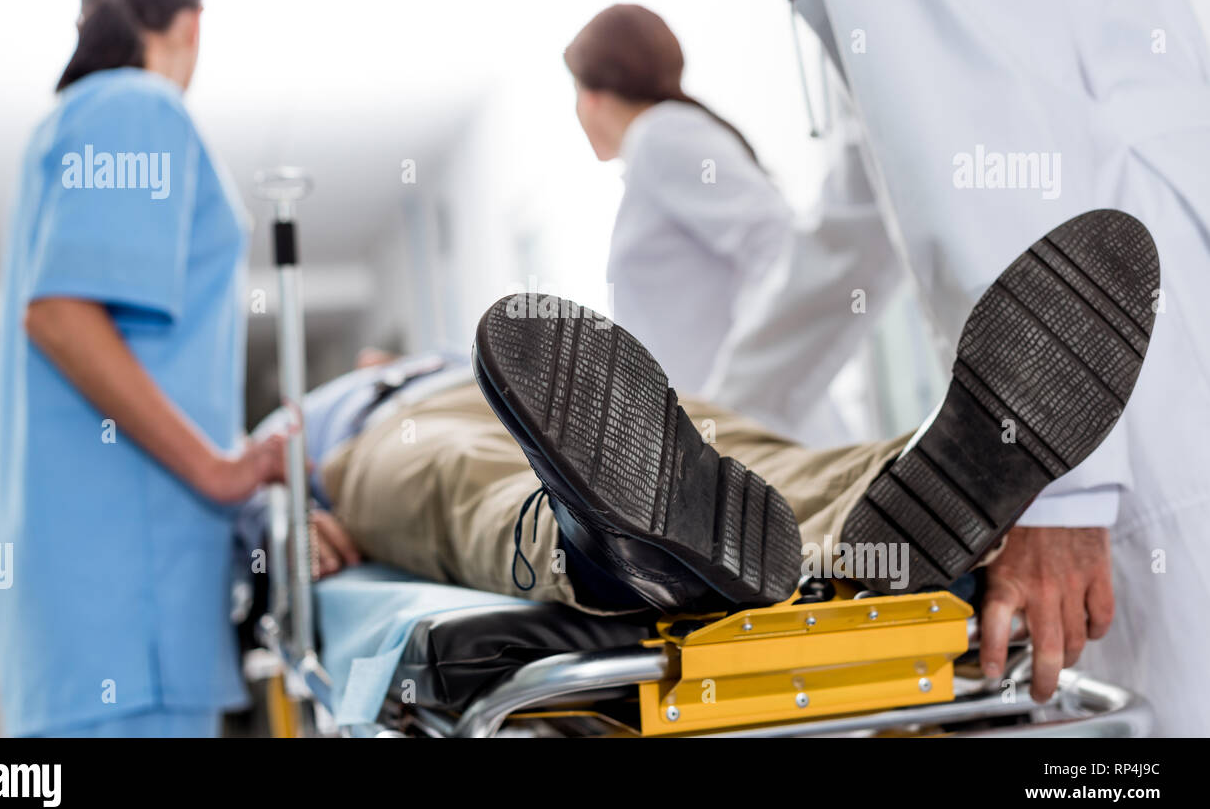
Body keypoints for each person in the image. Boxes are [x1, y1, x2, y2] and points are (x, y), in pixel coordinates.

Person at [703, 0, 1210, 735]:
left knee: (1160, 710)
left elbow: (989, 103)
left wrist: (1051, 485)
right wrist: (719, 414)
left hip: (1124, 344)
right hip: (1148, 276)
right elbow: (857, 211)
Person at [304, 211, 1156, 711]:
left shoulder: (434, 363)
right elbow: (254, 493)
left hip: (571, 410)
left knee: (736, 464)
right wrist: (296, 512)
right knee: (472, 478)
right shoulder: (327, 413)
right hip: (395, 435)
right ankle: (608, 547)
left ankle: (910, 481)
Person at [0, 0, 284, 738]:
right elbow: (62, 314)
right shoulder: (136, 107)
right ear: (193, 22)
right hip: (127, 607)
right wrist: (221, 470)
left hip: (85, 613)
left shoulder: (64, 128)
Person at [563, 4, 880, 446]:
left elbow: (773, 247)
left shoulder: (660, 137)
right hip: (731, 437)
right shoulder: (657, 148)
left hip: (752, 437)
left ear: (592, 95)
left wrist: (739, 399)